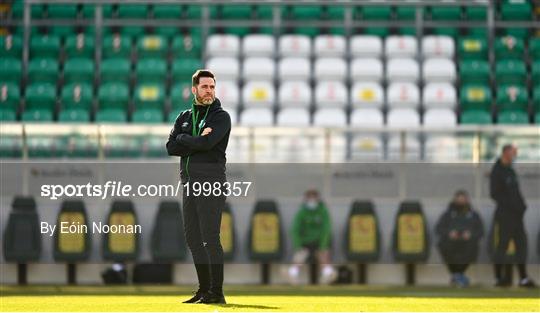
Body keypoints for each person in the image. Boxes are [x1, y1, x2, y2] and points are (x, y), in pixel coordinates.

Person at [166, 69, 231, 303]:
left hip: (211, 183)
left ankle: (217, 292)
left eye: (212, 87)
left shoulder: (220, 117)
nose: (209, 91)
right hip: (189, 184)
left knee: (210, 238)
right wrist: (192, 140)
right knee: (193, 238)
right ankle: (204, 290)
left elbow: (207, 143)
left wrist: (184, 139)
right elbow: (170, 147)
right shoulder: (184, 116)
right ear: (194, 89)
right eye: (205, 87)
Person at [489, 144, 536, 288]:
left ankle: (523, 278)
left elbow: (516, 192)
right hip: (505, 215)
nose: (515, 155)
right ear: (505, 153)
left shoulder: (510, 171)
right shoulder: (497, 171)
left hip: (517, 216)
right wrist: (512, 205)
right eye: (513, 152)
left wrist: (521, 206)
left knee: (521, 245)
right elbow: (495, 194)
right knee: (502, 246)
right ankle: (498, 277)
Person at [435, 190, 483, 287]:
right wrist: (449, 233)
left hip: (467, 244)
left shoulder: (474, 215)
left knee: (472, 247)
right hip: (451, 243)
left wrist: (470, 235)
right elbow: (438, 229)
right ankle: (458, 276)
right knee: (443, 245)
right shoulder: (448, 215)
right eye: (459, 199)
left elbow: (480, 231)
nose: (461, 202)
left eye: (463, 199)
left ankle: (457, 276)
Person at [287, 189, 336, 284]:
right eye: (310, 198)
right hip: (305, 242)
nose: (312, 200)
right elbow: (295, 230)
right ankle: (292, 275)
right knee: (299, 256)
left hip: (320, 241)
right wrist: (298, 245)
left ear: (318, 199)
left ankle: (327, 275)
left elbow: (326, 230)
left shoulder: (323, 211)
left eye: (314, 197)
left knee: (323, 254)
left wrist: (323, 245)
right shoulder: (302, 212)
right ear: (306, 199)